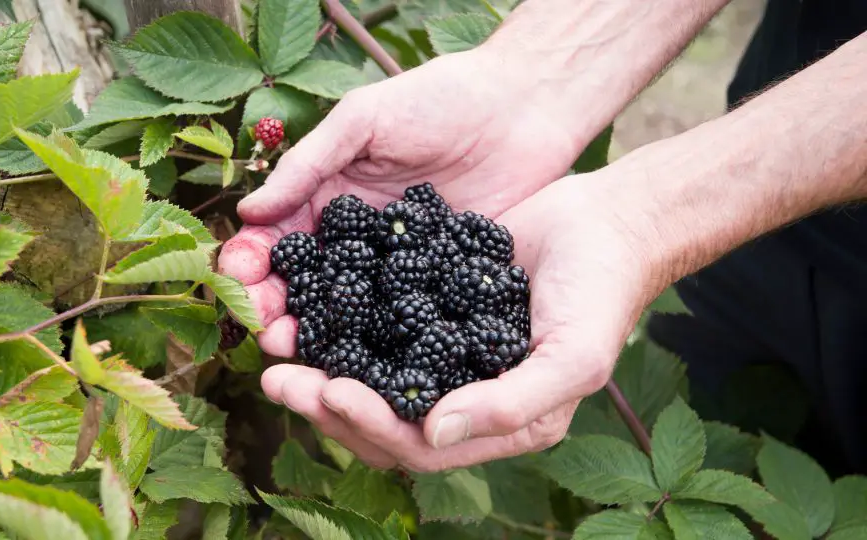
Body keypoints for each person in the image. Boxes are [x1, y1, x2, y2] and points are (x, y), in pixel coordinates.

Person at [218, 0, 867, 475]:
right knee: (717, 395)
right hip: (760, 226)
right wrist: (533, 78)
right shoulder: (400, 273)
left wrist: (650, 213)